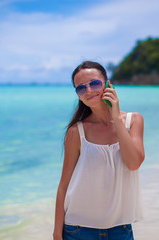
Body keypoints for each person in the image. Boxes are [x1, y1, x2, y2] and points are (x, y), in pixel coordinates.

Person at [53, 61, 145, 240]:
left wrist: (115, 117)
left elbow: (133, 163)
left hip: (121, 230)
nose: (88, 91)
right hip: (78, 230)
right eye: (81, 88)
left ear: (108, 84)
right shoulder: (76, 132)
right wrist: (57, 234)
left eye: (94, 84)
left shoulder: (133, 121)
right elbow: (64, 186)